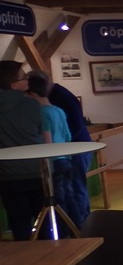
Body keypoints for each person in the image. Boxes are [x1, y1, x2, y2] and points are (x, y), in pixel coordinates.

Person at [0, 60, 43, 241]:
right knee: (43, 221)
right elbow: (40, 132)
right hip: (35, 169)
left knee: (19, 222)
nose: (27, 80)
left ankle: (23, 256)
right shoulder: (32, 105)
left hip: (7, 173)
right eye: (24, 77)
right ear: (13, 85)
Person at [27, 72, 74, 237]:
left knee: (56, 200)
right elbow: (67, 136)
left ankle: (63, 234)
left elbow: (47, 140)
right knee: (68, 196)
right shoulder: (59, 110)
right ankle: (74, 229)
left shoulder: (42, 113)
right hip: (65, 158)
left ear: (32, 94)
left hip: (53, 161)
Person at [46, 74, 93, 229]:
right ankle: (79, 226)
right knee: (73, 189)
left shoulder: (61, 98)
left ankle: (82, 226)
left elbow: (73, 128)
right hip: (73, 148)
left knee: (75, 188)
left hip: (75, 149)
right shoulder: (60, 98)